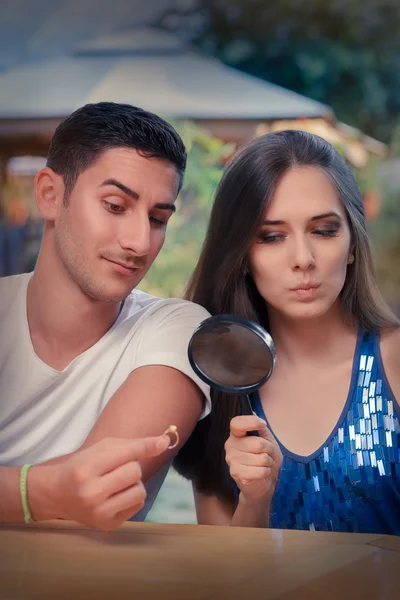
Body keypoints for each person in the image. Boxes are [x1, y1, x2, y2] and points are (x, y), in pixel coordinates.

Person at [174, 129, 400, 534]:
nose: (303, 259)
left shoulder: (394, 360)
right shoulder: (216, 385)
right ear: (242, 255)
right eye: (273, 236)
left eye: (324, 230)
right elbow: (228, 580)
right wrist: (255, 498)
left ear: (352, 243)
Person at [0, 102, 211, 532]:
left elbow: (94, 486)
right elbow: (67, 491)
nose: (139, 242)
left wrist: (32, 490)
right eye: (115, 206)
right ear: (49, 195)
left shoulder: (176, 331)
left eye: (157, 219)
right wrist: (44, 489)